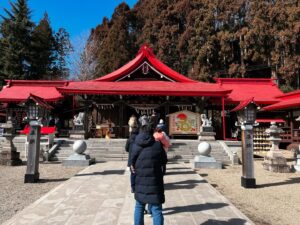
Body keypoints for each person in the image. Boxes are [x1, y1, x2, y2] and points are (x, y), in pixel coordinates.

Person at [131, 115, 167, 225]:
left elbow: (132, 162)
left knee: (139, 206)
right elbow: (164, 160)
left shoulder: (136, 145)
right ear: (152, 131)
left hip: (140, 181)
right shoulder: (157, 145)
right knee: (156, 209)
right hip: (155, 181)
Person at [125, 127, 139, 193]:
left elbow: (126, 149)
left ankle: (133, 188)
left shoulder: (129, 139)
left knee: (132, 174)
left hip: (131, 159)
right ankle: (138, 186)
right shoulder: (139, 139)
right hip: (138, 159)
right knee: (139, 173)